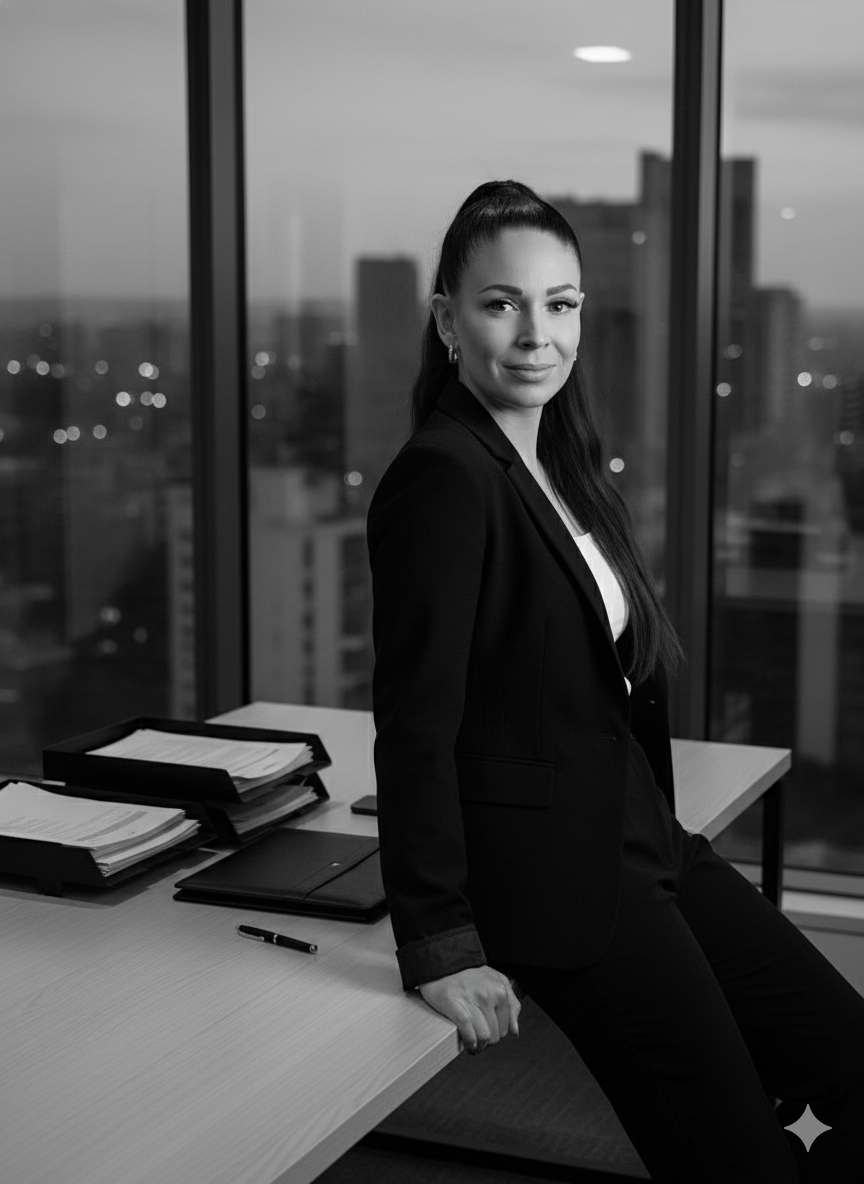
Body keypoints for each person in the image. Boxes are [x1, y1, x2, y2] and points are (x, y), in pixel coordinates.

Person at [366, 179, 864, 1182]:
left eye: (561, 303)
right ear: (448, 318)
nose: (535, 331)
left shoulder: (559, 460)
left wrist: (660, 830)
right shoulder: (445, 476)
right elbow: (416, 725)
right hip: (561, 882)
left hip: (646, 843)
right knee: (737, 1161)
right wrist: (440, 942)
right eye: (501, 302)